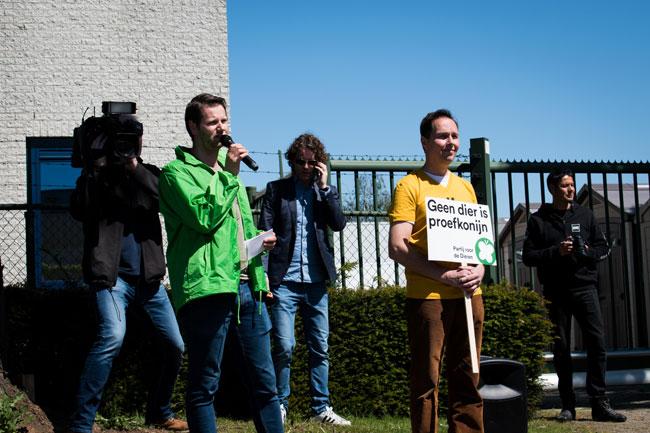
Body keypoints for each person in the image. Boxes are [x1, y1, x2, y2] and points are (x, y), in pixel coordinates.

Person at [159, 93, 283, 433]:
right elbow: (203, 217)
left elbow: (236, 233)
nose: (222, 128)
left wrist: (260, 253)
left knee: (265, 385)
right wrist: (229, 174)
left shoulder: (231, 179)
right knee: (204, 386)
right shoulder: (175, 174)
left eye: (225, 121)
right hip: (207, 289)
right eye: (213, 122)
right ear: (193, 127)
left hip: (247, 288)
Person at [67, 114, 187, 433]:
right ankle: (81, 423)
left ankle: (159, 411)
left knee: (175, 346)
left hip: (149, 281)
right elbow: (79, 209)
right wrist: (95, 167)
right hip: (111, 280)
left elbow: (168, 199)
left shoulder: (150, 175)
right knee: (111, 338)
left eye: (132, 141)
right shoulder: (97, 176)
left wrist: (134, 167)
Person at [388, 109, 485, 433]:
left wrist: (480, 270)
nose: (451, 142)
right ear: (425, 141)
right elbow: (398, 246)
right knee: (426, 383)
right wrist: (442, 276)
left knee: (469, 379)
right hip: (428, 297)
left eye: (454, 136)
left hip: (469, 297)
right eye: (443, 136)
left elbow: (480, 246)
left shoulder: (466, 189)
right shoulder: (409, 186)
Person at [258, 133, 350, 426]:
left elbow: (338, 223)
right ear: (292, 161)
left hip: (316, 282)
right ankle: (279, 405)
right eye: (301, 162)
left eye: (313, 162)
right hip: (284, 280)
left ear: (320, 164)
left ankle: (321, 407)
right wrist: (265, 277)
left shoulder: (324, 191)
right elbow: (265, 234)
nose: (307, 167)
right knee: (284, 345)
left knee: (319, 347)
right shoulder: (276, 190)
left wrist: (325, 189)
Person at [522, 168, 626, 423]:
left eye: (571, 185)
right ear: (553, 189)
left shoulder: (585, 214)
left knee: (597, 344)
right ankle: (568, 406)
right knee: (561, 349)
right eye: (565, 186)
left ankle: (599, 404)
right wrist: (556, 251)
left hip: (585, 288)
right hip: (555, 292)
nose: (570, 190)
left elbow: (603, 248)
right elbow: (528, 257)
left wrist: (586, 251)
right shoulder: (538, 220)